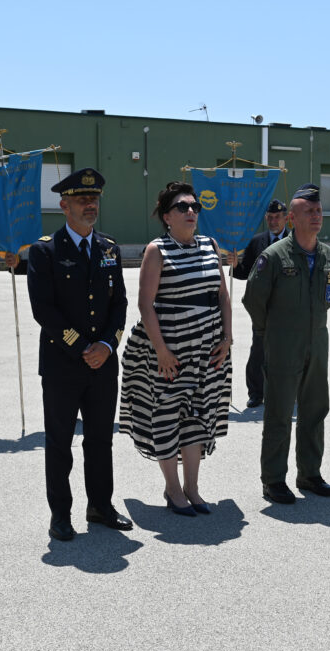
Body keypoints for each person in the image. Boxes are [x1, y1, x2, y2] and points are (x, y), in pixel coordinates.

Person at [25, 167, 132, 541]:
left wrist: (107, 345)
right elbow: (43, 309)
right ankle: (60, 514)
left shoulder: (109, 248)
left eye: (95, 198)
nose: (91, 205)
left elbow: (119, 303)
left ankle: (100, 506)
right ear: (64, 205)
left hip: (103, 365)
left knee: (101, 439)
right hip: (62, 365)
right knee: (59, 442)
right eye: (83, 199)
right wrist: (82, 346)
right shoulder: (45, 251)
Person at [119, 182, 233, 516]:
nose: (191, 211)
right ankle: (172, 488)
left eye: (195, 206)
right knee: (167, 415)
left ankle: (192, 488)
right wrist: (161, 351)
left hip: (207, 349)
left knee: (197, 415)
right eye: (182, 207)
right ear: (167, 216)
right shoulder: (157, 250)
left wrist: (227, 338)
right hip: (168, 350)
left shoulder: (210, 245)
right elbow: (145, 303)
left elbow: (222, 295)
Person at [242, 183, 330, 505]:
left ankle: (310, 474)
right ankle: (273, 480)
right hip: (283, 344)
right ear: (292, 219)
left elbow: (326, 298)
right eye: (308, 211)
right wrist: (269, 333)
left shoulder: (328, 257)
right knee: (279, 413)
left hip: (317, 343)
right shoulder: (273, 256)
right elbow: (253, 299)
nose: (316, 215)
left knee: (314, 410)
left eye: (319, 210)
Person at [231, 199, 289, 407]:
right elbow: (245, 272)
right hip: (262, 307)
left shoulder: (296, 240)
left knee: (289, 350)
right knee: (259, 350)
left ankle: (288, 391)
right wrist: (235, 266)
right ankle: (256, 392)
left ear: (286, 218)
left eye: (277, 217)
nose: (273, 221)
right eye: (270, 217)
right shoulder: (256, 242)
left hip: (289, 306)